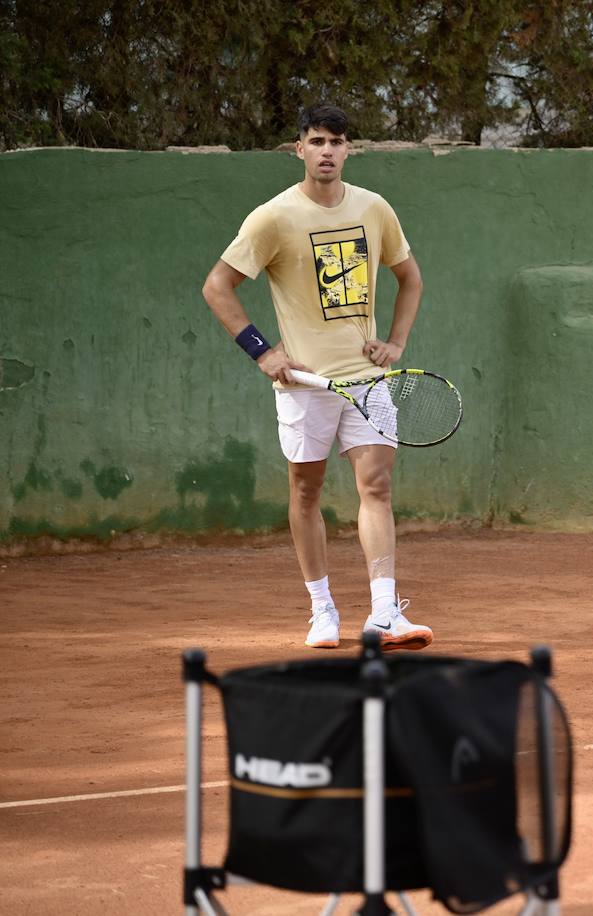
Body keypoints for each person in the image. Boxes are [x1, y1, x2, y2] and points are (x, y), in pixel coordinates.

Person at [202, 104, 434, 651]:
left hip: (367, 381)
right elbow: (218, 286)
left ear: (349, 149)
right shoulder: (273, 217)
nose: (327, 150)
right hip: (305, 385)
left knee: (376, 486)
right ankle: (322, 611)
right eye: (316, 141)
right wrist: (263, 352)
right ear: (299, 148)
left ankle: (383, 615)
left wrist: (396, 342)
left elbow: (410, 279)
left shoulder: (375, 210)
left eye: (336, 141)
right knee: (305, 492)